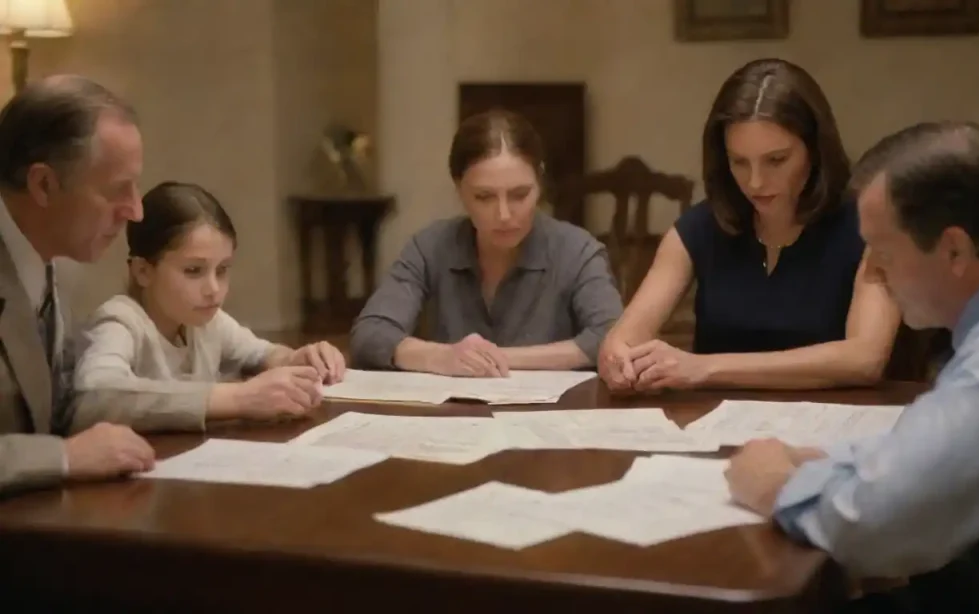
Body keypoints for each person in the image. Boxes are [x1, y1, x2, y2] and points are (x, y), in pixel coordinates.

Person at [726, 121, 979, 612]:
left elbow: (880, 521)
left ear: (954, 249)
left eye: (883, 253)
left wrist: (778, 485)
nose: (873, 272)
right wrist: (833, 462)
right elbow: (946, 443)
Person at [599, 58, 900, 393]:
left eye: (776, 160)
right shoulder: (699, 227)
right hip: (716, 429)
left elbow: (864, 358)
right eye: (739, 162)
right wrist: (617, 359)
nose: (755, 182)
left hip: (834, 431)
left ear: (816, 150)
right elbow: (623, 339)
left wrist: (706, 367)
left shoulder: (869, 225)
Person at [349, 109, 623, 377]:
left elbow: (613, 337)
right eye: (484, 197)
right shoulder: (430, 247)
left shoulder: (577, 251)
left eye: (519, 195)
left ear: (540, 182)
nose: (504, 215)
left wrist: (494, 359)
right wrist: (441, 357)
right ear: (459, 189)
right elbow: (371, 333)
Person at [73, 181, 346, 433]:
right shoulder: (119, 322)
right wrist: (238, 399)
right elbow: (94, 395)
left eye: (223, 270)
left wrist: (301, 360)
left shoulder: (207, 323)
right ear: (143, 271)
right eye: (194, 270)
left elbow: (261, 354)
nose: (214, 289)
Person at [0, 75, 157, 494]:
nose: (136, 211)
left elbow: (70, 401)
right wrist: (65, 458)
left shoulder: (48, 260)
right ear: (44, 185)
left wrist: (237, 398)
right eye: (117, 190)